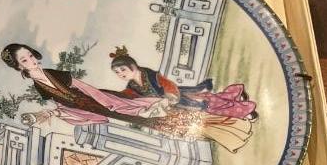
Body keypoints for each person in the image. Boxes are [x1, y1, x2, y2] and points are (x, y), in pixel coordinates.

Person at [1, 43, 253, 153]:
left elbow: (85, 88)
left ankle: (232, 126)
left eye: (30, 55)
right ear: (19, 66)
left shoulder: (53, 73)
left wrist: (110, 103)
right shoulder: (40, 85)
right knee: (160, 124)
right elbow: (63, 103)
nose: (31, 60)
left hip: (107, 103)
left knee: (167, 114)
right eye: (25, 60)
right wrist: (53, 113)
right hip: (103, 110)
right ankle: (226, 133)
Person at [107, 46, 256, 120]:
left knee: (208, 104)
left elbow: (168, 85)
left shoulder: (149, 74)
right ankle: (236, 96)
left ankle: (245, 110)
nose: (121, 74)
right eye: (117, 72)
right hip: (169, 106)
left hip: (177, 97)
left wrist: (171, 98)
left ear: (133, 65)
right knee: (208, 107)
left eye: (122, 69)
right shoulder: (132, 86)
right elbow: (126, 96)